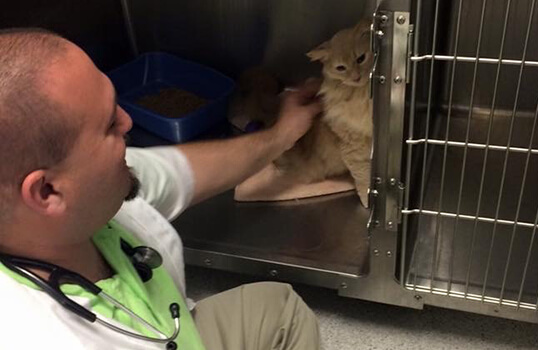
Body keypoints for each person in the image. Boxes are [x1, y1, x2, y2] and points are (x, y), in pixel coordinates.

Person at [0, 28, 322, 350]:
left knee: (278, 310)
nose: (128, 122)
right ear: (47, 192)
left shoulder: (76, 193)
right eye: (110, 125)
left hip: (172, 330)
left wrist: (280, 135)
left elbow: (181, 171)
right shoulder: (39, 335)